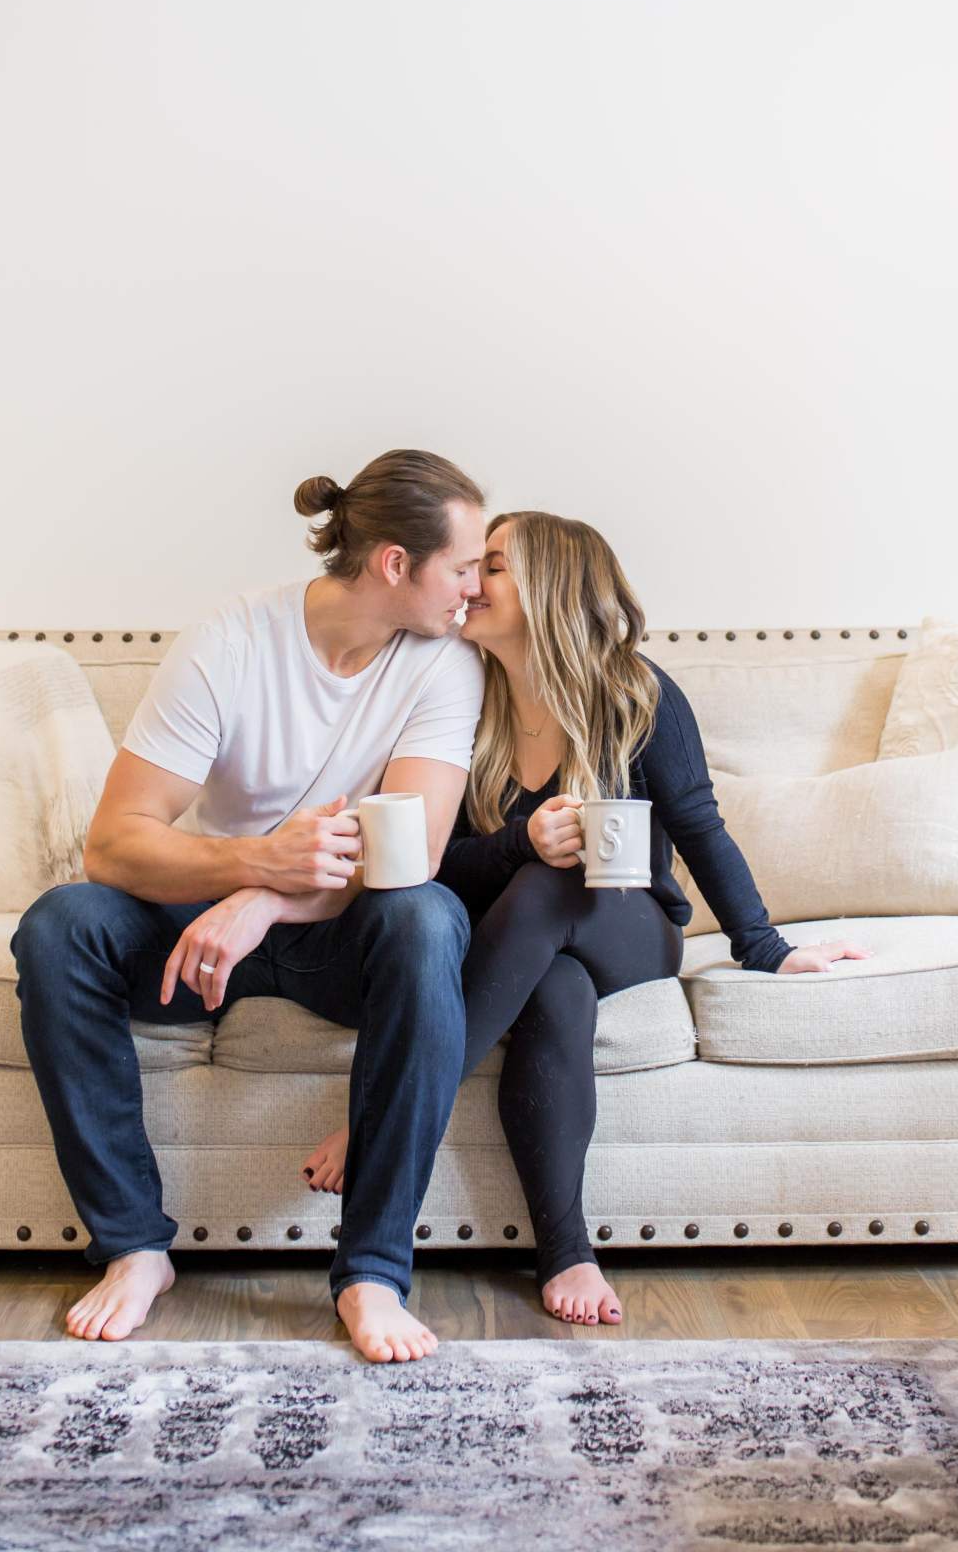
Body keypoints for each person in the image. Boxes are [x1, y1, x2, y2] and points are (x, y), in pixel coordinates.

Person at [301, 509, 871, 1326]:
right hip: (527, 949)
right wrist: (518, 841)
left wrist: (766, 947)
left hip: (631, 928)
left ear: (550, 587)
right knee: (556, 988)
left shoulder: (636, 693)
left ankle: (384, 1124)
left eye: (492, 566)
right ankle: (567, 1252)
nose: (468, 581)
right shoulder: (465, 696)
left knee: (548, 888)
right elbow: (436, 863)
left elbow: (700, 827)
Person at [10, 448, 488, 1365]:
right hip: (198, 934)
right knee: (60, 926)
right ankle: (134, 1249)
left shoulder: (445, 662)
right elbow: (113, 844)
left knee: (427, 919)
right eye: (463, 567)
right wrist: (251, 862)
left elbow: (412, 856)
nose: (475, 588)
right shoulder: (230, 642)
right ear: (396, 563)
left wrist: (264, 898)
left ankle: (373, 1273)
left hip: (337, 936)